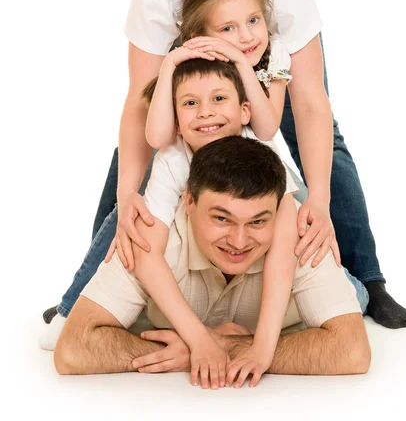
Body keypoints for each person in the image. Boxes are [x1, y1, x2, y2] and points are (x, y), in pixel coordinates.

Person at [43, 0, 406, 330]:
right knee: (141, 159)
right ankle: (95, 284)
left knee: (314, 137)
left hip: (266, 68)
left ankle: (367, 278)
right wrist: (128, 192)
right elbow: (142, 103)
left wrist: (317, 199)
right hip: (199, 67)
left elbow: (309, 102)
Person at [54, 135, 371, 386]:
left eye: (258, 222)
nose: (238, 241)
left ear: (279, 213)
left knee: (357, 294)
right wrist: (195, 349)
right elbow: (73, 348)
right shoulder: (151, 237)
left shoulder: (297, 234)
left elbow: (352, 351)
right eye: (222, 219)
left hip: (312, 265)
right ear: (189, 202)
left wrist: (220, 346)